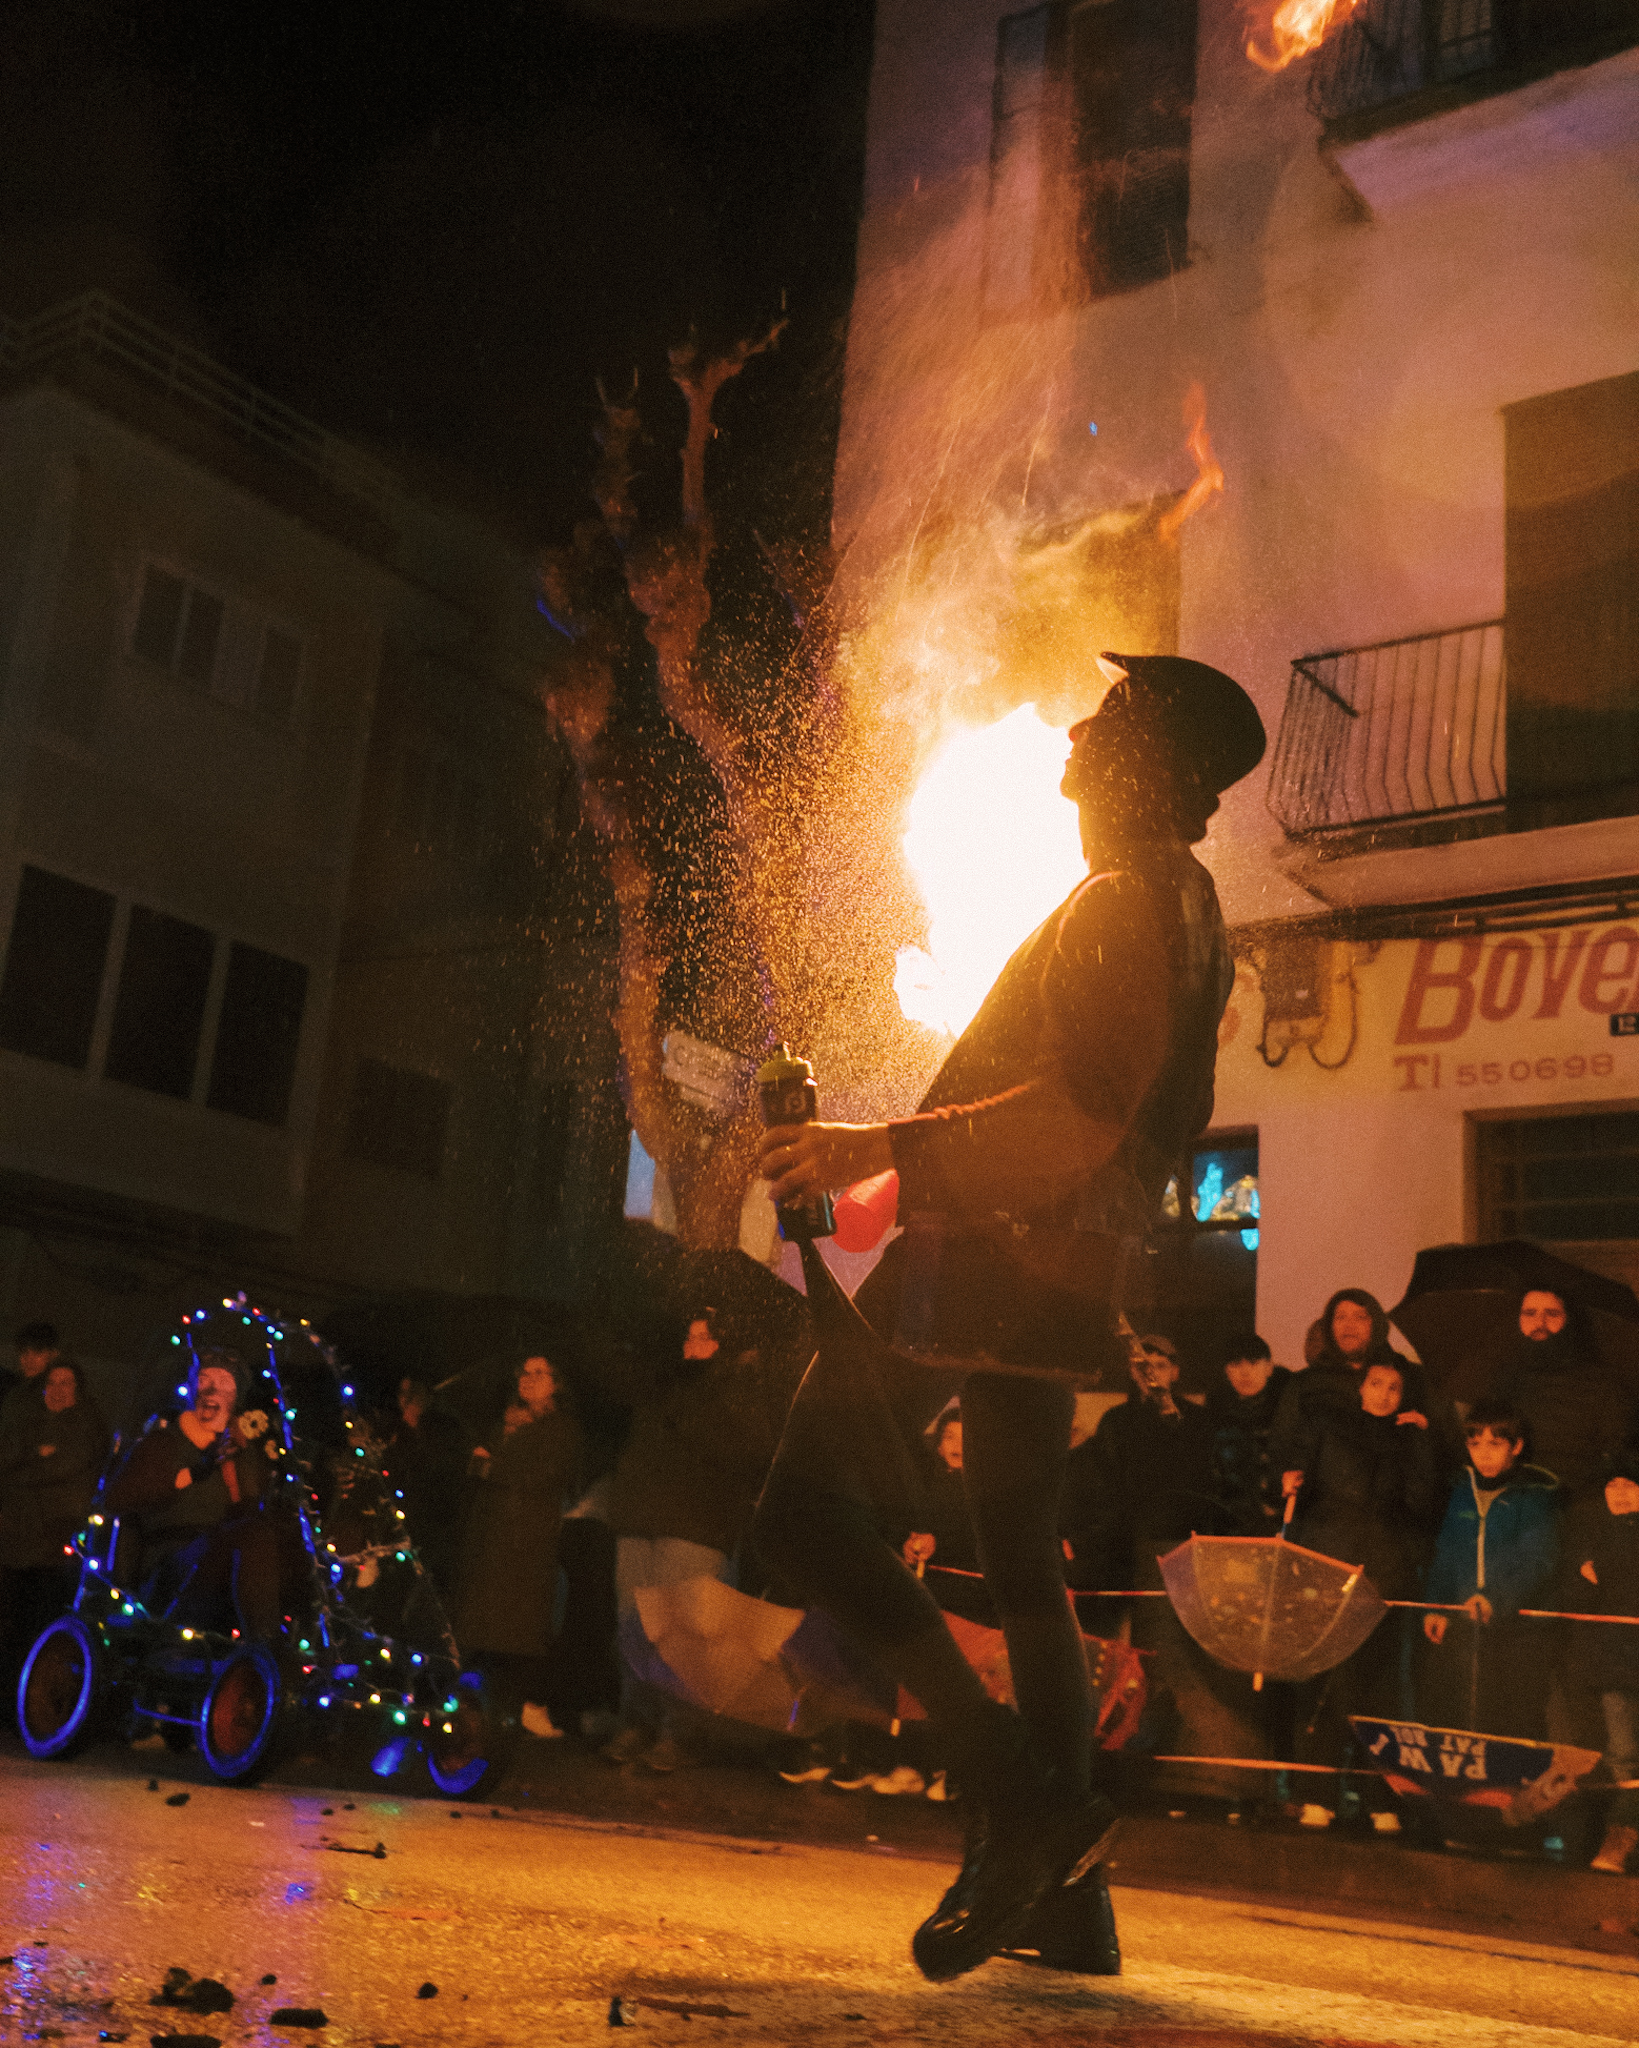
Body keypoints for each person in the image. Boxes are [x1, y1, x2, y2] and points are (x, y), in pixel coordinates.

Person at [756, 651, 1265, 1980]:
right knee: (1021, 1554)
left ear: (1142, 761)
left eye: (1104, 721)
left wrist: (875, 1145)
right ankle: (1070, 1900)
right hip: (1065, 1264)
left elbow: (1077, 1116)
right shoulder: (1181, 904)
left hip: (996, 1256)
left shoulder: (1120, 899)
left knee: (799, 1506)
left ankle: (1020, 1802)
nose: (1074, 734)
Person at [602, 1309, 793, 1770]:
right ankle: (636, 1721)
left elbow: (751, 1451)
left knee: (681, 1634)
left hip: (695, 1527)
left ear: (726, 1345)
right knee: (634, 1627)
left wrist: (703, 1400)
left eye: (705, 1337)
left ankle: (677, 1732)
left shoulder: (739, 1390)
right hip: (642, 1520)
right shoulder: (664, 1383)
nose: (693, 1344)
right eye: (689, 1336)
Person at [1284, 1360, 1440, 1816]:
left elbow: (1422, 1503)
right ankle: (1316, 1794)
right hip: (1328, 1566)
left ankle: (1379, 1797)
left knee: (1379, 1689)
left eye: (1394, 1387)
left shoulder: (1409, 1439)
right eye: (1376, 1383)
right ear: (1360, 1386)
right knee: (1325, 1681)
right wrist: (1287, 1478)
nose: (1384, 1394)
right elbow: (1298, 1474)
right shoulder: (1326, 1423)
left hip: (1385, 1574)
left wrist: (1422, 1442)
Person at [103, 1349, 284, 1642]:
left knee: (284, 1537)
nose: (211, 1389)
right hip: (171, 1563)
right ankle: (266, 1645)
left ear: (236, 1396)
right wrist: (191, 1473)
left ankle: (312, 1638)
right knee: (252, 1536)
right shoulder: (163, 1442)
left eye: (223, 1382)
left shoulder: (243, 1452)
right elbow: (116, 1500)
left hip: (225, 1556)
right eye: (204, 1379)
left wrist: (249, 1460)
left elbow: (254, 1509)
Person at [455, 1353, 581, 1740]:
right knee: (485, 1623)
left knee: (523, 1624)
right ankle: (476, 1709)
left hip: (528, 1538)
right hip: (492, 1534)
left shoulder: (562, 1427)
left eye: (539, 1373)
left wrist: (493, 1466)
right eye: (524, 1372)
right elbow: (475, 1466)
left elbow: (540, 1475)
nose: (528, 1378)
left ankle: (527, 1704)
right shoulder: (506, 1422)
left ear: (557, 1382)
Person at [1420, 1397, 1558, 1739]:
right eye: (1475, 1444)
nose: (1483, 1454)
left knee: (1515, 1716)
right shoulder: (1462, 1491)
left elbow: (1537, 1559)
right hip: (1467, 1623)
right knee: (1466, 1711)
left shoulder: (1533, 1494)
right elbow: (1447, 1553)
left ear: (1516, 1446)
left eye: (1495, 1445)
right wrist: (1437, 1605)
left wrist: (1495, 1598)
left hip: (1518, 1628)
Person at [1061, 1333, 1216, 1596]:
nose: (1150, 1373)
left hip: (1178, 1540)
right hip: (1121, 1543)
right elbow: (1097, 1480)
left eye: (1160, 1365)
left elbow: (1205, 1482)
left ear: (1175, 1372)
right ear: (1132, 1372)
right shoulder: (1116, 1422)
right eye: (1142, 1366)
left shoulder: (1197, 1421)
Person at [0, 1358, 110, 1715]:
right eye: (53, 1383)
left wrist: (33, 1464)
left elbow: (68, 1468)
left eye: (67, 1383)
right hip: (17, 1542)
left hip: (57, 1544)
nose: (59, 1390)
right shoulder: (26, 1422)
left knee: (43, 1622)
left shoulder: (87, 1426)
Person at [1560, 1450, 1639, 1875]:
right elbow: (1579, 1598)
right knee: (1623, 1755)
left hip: (1620, 1659)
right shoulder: (1592, 1536)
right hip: (1614, 1665)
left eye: (1630, 1484)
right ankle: (1621, 1837)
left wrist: (1601, 1571)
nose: (1620, 1492)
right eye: (1612, 1484)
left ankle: (1623, 1837)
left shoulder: (1600, 1546)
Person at [1480, 1290, 1634, 1506]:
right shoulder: (1504, 1379)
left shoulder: (1602, 1383)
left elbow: (1620, 1455)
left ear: (1569, 1319)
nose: (1539, 1323)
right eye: (1529, 1313)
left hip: (1577, 1505)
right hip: (1512, 1502)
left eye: (1552, 1313)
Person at [1271, 1290, 1427, 1487]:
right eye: (1340, 1317)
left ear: (1376, 1324)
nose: (1349, 1325)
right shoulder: (1305, 1383)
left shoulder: (1408, 1376)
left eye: (1360, 1317)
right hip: (1325, 1502)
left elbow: (1434, 1448)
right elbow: (1281, 1448)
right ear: (1330, 1326)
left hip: (1391, 1499)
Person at [1205, 1333, 1290, 1537]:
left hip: (1280, 1525)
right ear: (1227, 1371)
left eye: (1253, 1363)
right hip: (1228, 1526)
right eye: (1236, 1364)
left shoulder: (1289, 1413)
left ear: (1269, 1367)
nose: (1244, 1372)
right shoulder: (1212, 1416)